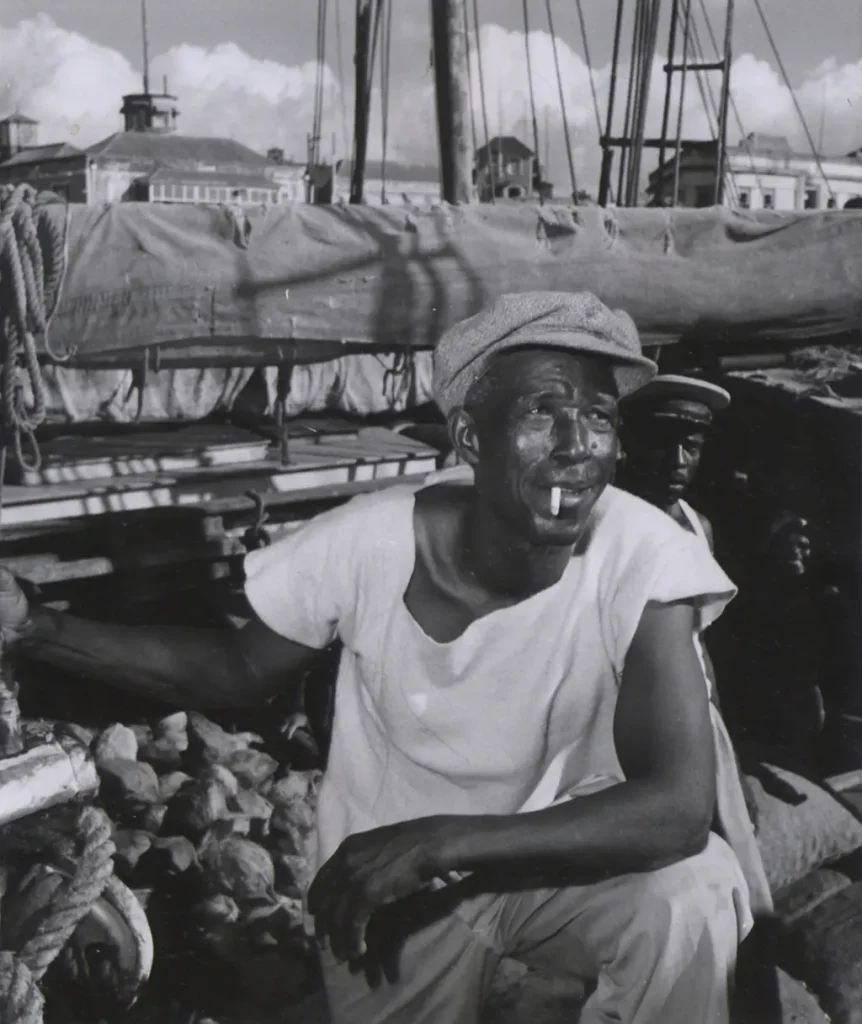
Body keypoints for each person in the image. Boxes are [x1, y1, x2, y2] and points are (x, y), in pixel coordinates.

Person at [0, 292, 753, 1024]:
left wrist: (442, 841)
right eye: (542, 411)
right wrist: (35, 626)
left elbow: (681, 807)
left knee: (693, 889)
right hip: (393, 898)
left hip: (551, 869)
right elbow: (236, 669)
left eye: (598, 416)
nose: (579, 443)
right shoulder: (369, 543)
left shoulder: (645, 550)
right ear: (469, 439)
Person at [617, 375, 774, 919]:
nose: (678, 459)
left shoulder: (695, 526)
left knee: (742, 884)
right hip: (633, 736)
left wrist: (728, 766)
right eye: (662, 440)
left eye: (693, 444)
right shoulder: (602, 530)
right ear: (627, 441)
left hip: (698, 723)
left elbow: (699, 653)